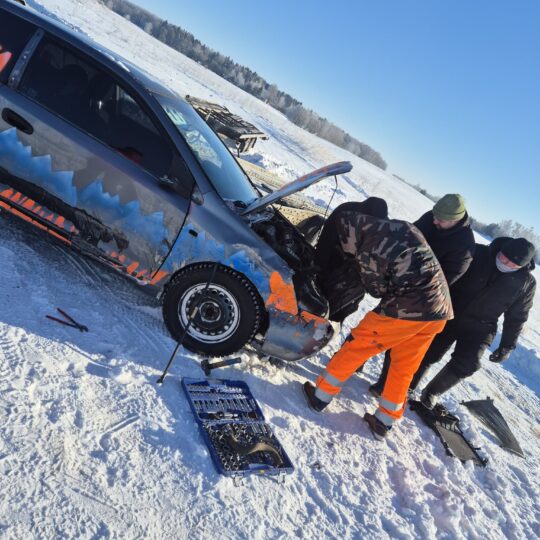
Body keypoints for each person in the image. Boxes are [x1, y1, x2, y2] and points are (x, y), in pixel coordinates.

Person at [302, 198, 453, 439]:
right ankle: (385, 421)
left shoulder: (369, 245)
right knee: (404, 366)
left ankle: (320, 395)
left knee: (357, 346)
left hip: (408, 309)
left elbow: (376, 289)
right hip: (439, 311)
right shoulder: (399, 228)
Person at [410, 236, 536, 408]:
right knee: (429, 351)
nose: (505, 263)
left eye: (512, 265)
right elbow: (445, 275)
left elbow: (517, 316)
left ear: (522, 266)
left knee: (468, 363)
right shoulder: (479, 253)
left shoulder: (526, 283)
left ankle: (432, 392)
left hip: (481, 326)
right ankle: (409, 383)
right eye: (503, 258)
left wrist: (507, 346)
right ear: (500, 250)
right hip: (450, 312)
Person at [369, 194, 475, 396]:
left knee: (400, 345)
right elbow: (408, 238)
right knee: (375, 325)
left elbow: (444, 281)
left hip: (422, 297)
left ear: (455, 220)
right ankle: (355, 362)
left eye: (441, 220)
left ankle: (384, 385)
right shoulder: (430, 218)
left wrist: (411, 284)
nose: (435, 221)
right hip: (400, 280)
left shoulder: (465, 247)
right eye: (434, 216)